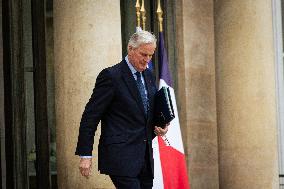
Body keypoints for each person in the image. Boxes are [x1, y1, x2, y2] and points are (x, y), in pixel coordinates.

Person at [75, 30, 168, 189]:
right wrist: (85, 154)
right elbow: (90, 116)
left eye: (150, 55)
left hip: (145, 159)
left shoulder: (149, 75)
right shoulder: (111, 76)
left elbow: (147, 112)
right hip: (121, 156)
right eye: (143, 54)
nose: (147, 60)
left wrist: (161, 126)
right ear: (130, 49)